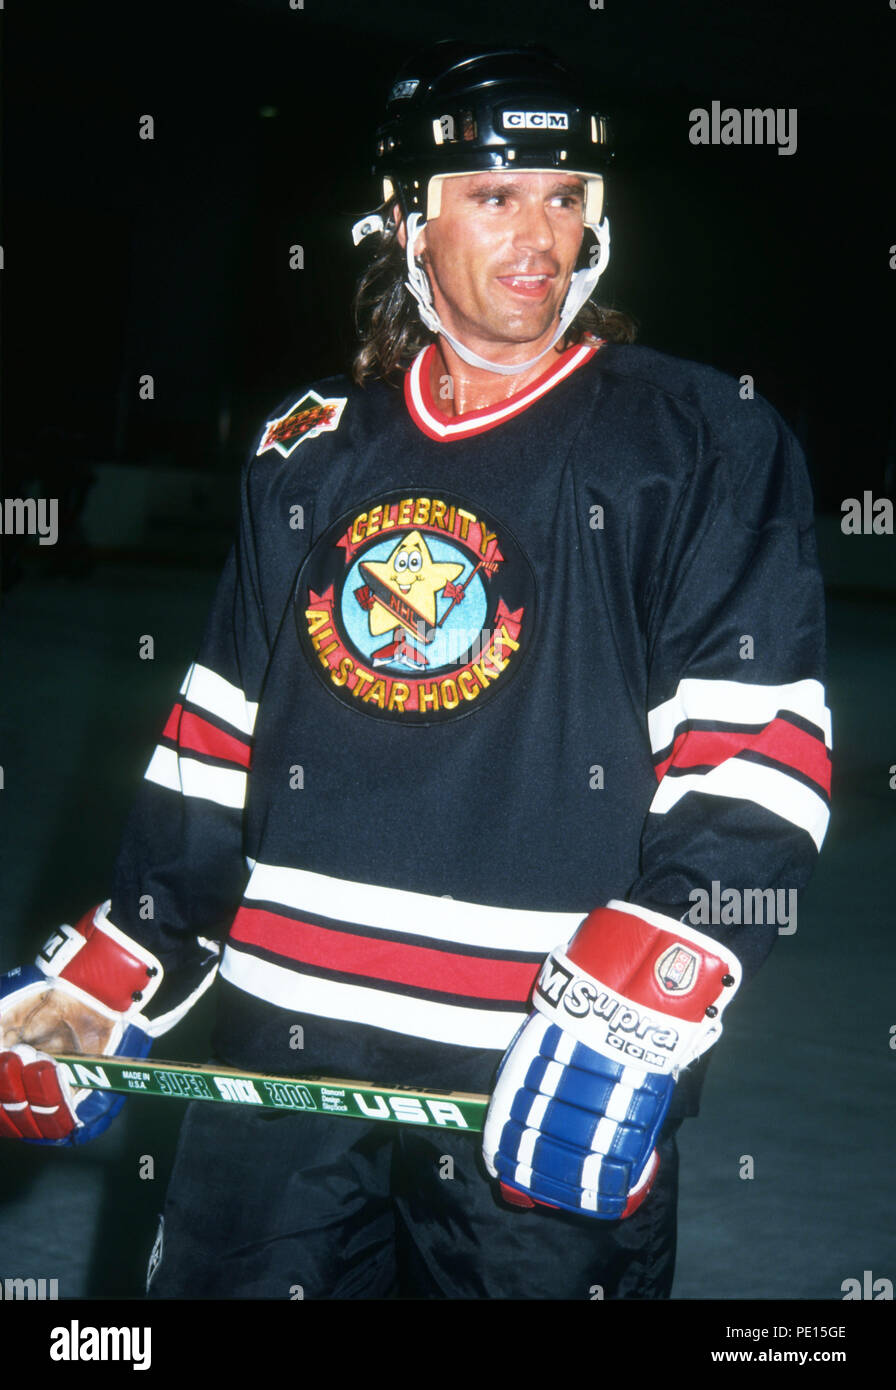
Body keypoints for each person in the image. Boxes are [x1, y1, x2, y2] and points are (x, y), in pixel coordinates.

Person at [0, 41, 831, 1300]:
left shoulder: (700, 439)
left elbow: (757, 748)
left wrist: (648, 986)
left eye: (566, 196)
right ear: (405, 223)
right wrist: (121, 962)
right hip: (280, 1055)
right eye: (493, 197)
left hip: (540, 1070)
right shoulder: (308, 447)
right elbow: (220, 733)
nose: (537, 236)